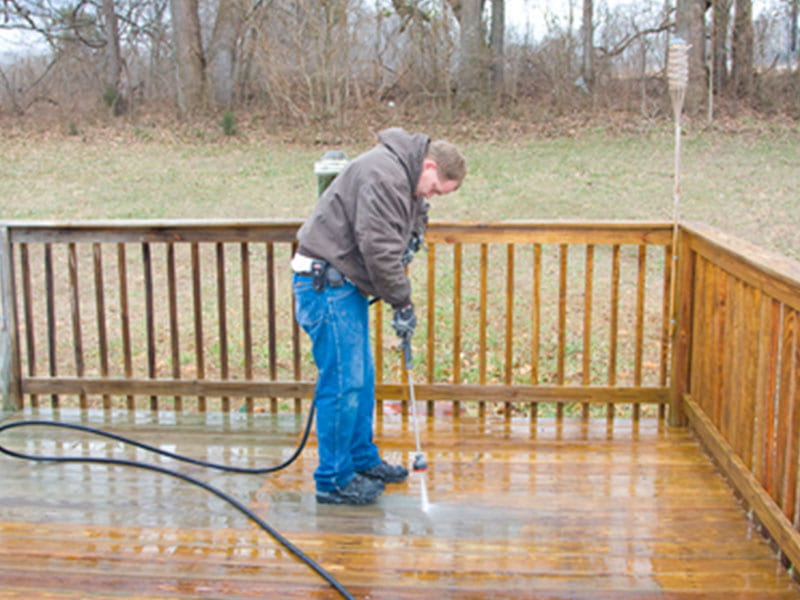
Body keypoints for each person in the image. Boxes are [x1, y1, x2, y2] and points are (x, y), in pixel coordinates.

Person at [291, 127, 466, 505]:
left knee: (361, 380)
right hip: (325, 286)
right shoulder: (384, 174)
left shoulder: (404, 174)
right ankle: (334, 480)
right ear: (430, 164)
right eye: (435, 188)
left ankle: (360, 460)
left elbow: (412, 220)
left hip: (344, 286)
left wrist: (415, 233)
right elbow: (378, 249)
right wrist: (402, 303)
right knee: (343, 384)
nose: (431, 195)